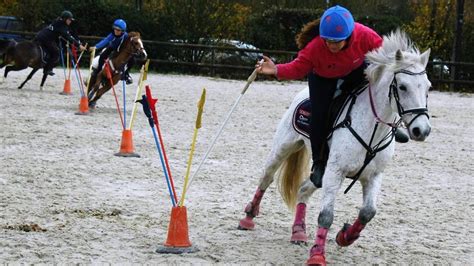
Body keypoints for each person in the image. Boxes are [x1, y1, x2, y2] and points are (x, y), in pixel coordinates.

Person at [256, 5, 399, 188]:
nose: (331, 45)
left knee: (377, 89)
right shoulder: (314, 48)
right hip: (323, 78)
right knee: (319, 115)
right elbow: (297, 67)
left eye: (337, 41)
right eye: (328, 40)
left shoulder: (365, 36)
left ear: (348, 36)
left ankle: (392, 123)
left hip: (354, 72)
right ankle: (318, 163)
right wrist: (276, 69)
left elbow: (386, 56)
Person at [35, 10, 86, 76]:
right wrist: (79, 45)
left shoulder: (57, 21)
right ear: (65, 19)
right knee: (56, 52)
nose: (70, 21)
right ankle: (48, 69)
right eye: (69, 19)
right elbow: (68, 37)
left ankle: (44, 61)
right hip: (46, 39)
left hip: (39, 35)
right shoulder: (62, 26)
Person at [89, 19, 133, 85]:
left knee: (132, 60)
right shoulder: (112, 35)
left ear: (123, 31)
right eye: (115, 29)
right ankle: (98, 72)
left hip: (121, 50)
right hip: (112, 48)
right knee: (102, 56)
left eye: (118, 30)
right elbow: (105, 40)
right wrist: (96, 47)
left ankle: (126, 74)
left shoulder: (126, 36)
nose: (116, 31)